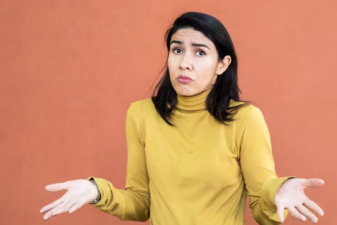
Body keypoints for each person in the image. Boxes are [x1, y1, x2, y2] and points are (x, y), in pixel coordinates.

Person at [40, 12, 325, 225]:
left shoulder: (245, 119)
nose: (184, 62)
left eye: (200, 53)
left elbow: (263, 207)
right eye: (177, 50)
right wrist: (96, 190)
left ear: (222, 65)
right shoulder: (142, 115)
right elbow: (140, 205)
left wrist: (278, 192)